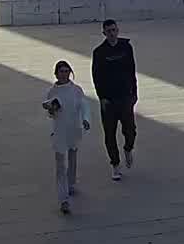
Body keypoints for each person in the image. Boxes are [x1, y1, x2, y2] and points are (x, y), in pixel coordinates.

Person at [92, 19, 138, 180]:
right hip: (108, 100)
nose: (112, 33)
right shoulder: (99, 52)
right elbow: (96, 76)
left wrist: (134, 93)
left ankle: (128, 148)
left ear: (117, 30)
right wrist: (101, 97)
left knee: (130, 130)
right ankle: (115, 164)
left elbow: (132, 70)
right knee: (109, 134)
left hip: (125, 97)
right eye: (108, 31)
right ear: (104, 33)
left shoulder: (126, 47)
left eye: (114, 30)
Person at [42, 60, 90, 214]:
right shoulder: (52, 91)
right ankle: (63, 199)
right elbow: (50, 112)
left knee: (73, 159)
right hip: (59, 132)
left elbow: (84, 106)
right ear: (56, 74)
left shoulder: (76, 90)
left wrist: (86, 119)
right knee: (60, 165)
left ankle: (71, 184)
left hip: (74, 130)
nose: (64, 74)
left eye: (66, 71)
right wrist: (51, 109)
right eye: (61, 71)